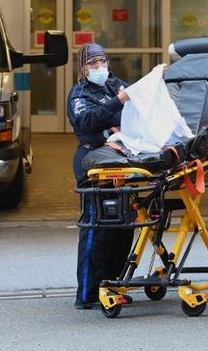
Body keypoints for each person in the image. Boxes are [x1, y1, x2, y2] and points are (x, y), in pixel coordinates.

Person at [67, 42, 134, 309]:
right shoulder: (79, 94)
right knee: (97, 227)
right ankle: (87, 294)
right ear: (83, 68)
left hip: (121, 161)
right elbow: (86, 122)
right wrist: (118, 102)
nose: (99, 68)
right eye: (93, 64)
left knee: (122, 226)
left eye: (102, 62)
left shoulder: (115, 84)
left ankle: (111, 284)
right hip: (92, 162)